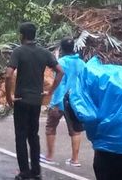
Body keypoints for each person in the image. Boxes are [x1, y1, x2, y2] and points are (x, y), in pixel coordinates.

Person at [5, 22, 64, 180]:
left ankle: (24, 172)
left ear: (22, 36)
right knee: (33, 135)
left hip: (21, 99)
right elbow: (60, 71)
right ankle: (36, 171)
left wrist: (8, 96)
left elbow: (9, 74)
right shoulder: (44, 53)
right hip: (36, 100)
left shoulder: (18, 51)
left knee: (21, 136)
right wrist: (50, 91)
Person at [40, 37, 85, 167]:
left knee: (50, 127)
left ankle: (49, 157)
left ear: (62, 48)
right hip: (75, 101)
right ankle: (75, 160)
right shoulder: (82, 63)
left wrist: (52, 96)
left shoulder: (61, 62)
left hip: (60, 100)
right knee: (76, 130)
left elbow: (58, 82)